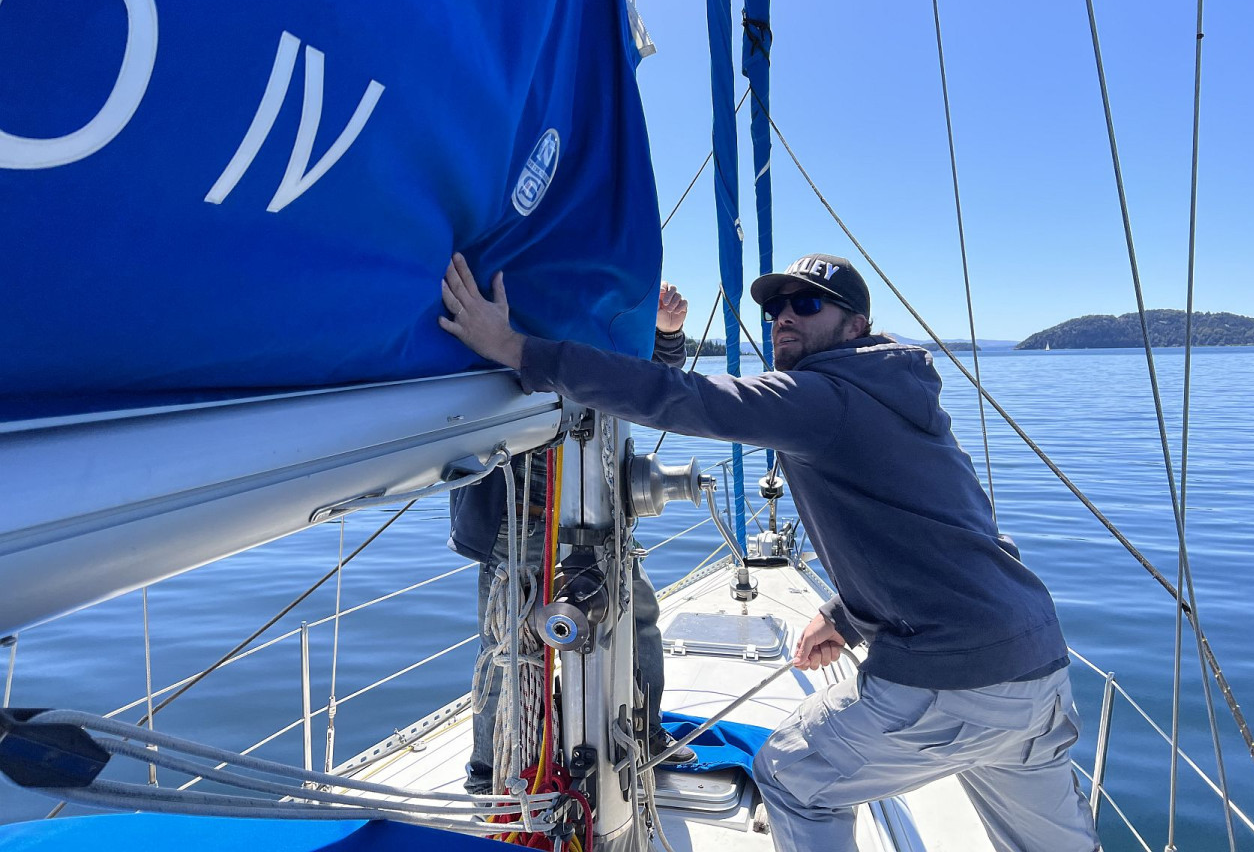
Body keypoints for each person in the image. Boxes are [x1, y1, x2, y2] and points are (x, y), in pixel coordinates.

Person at [438, 250, 1101, 852]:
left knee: (790, 775)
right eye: (775, 306)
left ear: (855, 325)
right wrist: (845, 615)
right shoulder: (904, 395)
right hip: (1037, 664)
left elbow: (681, 397)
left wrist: (514, 347)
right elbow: (970, 535)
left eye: (807, 304)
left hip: (952, 676)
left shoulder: (822, 395)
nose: (784, 317)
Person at [449, 281, 696, 795]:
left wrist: (665, 334)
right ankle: (492, 770)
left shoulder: (602, 304)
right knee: (508, 645)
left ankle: (643, 736)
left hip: (599, 512)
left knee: (635, 618)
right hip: (515, 517)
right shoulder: (506, 299)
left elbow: (648, 382)